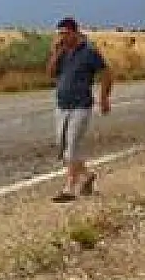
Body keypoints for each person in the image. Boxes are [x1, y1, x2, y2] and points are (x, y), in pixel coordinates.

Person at [46, 17, 113, 202]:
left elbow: (106, 73)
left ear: (75, 32)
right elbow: (50, 74)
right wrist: (56, 53)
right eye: (60, 34)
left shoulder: (89, 52)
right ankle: (87, 175)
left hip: (81, 106)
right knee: (64, 147)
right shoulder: (61, 52)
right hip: (62, 105)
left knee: (72, 145)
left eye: (66, 33)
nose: (62, 37)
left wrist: (104, 97)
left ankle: (69, 188)